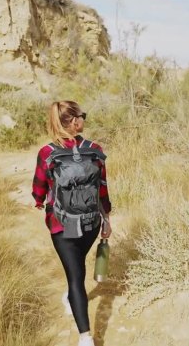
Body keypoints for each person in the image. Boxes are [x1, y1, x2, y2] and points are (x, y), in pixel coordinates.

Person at [32, 100, 112, 346]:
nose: (83, 120)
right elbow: (102, 189)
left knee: (75, 277)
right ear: (75, 121)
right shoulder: (95, 149)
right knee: (78, 267)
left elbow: (39, 188)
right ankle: (74, 301)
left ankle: (85, 337)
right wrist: (106, 218)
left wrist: (37, 201)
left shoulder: (47, 152)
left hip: (61, 224)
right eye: (82, 116)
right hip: (90, 223)